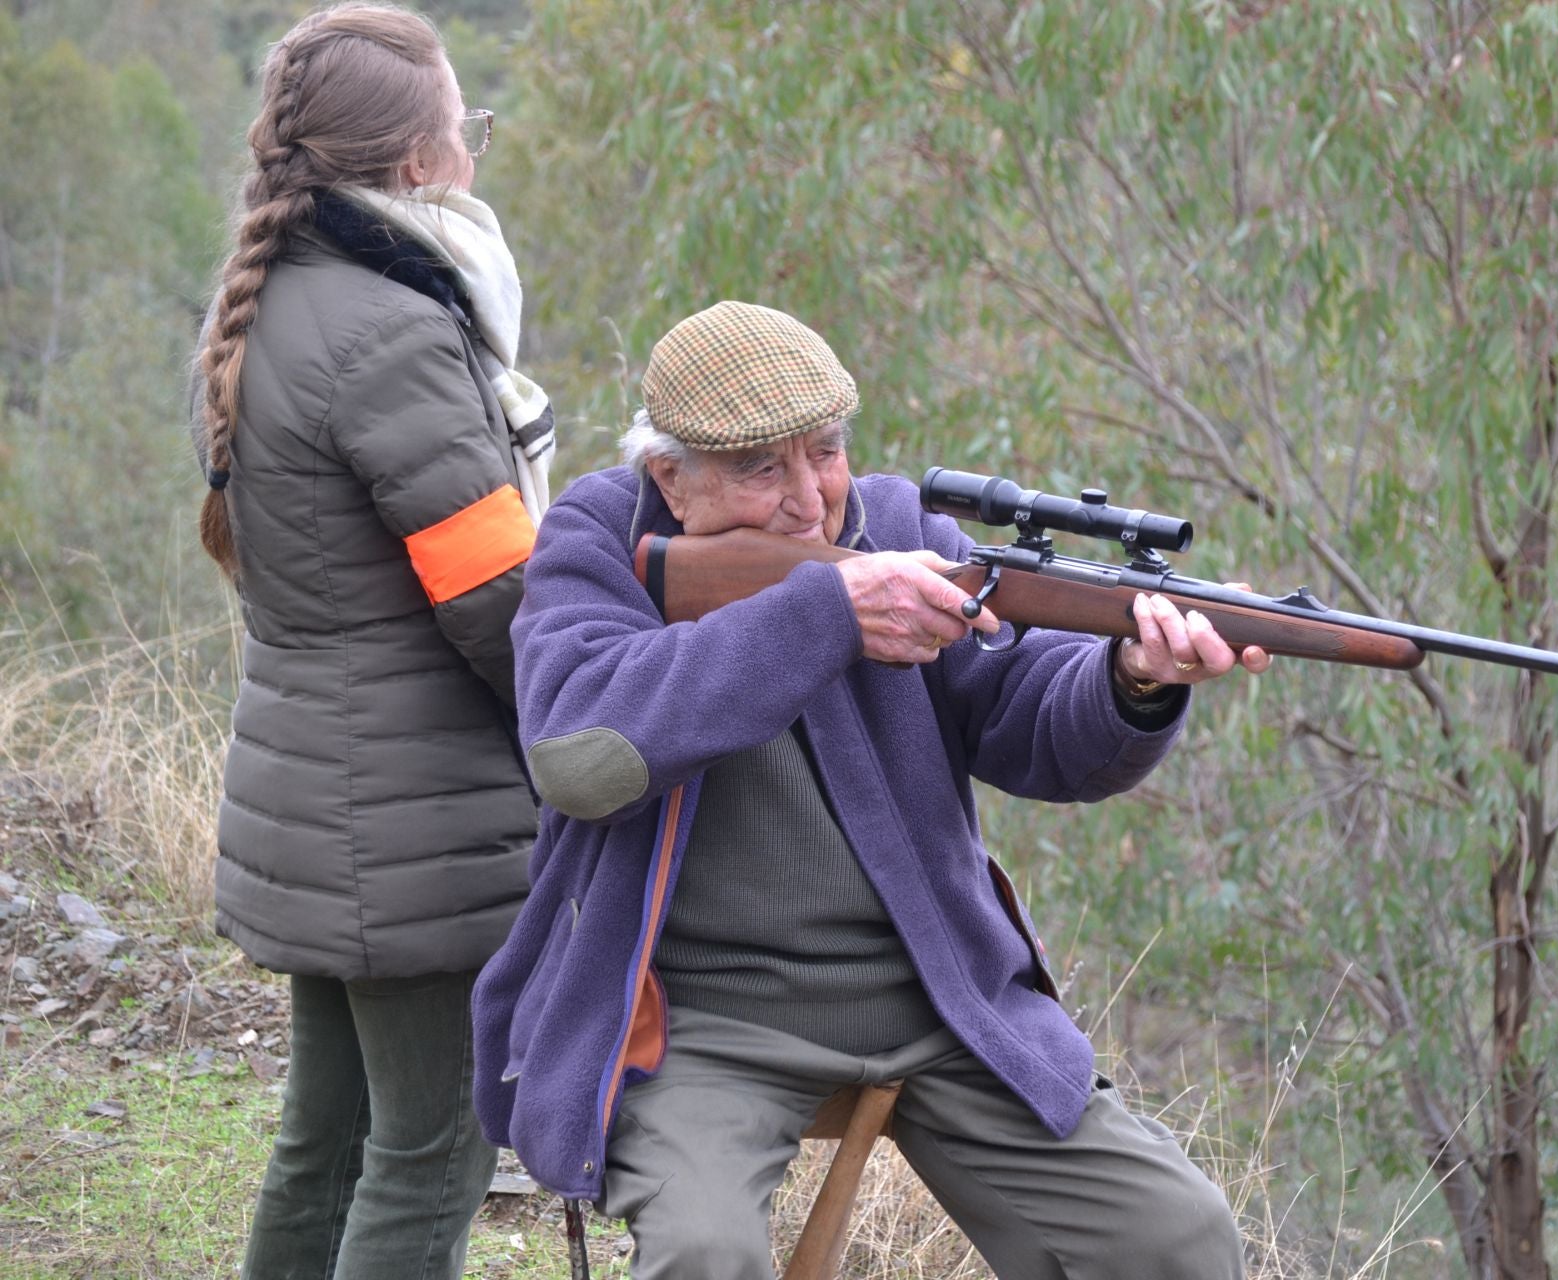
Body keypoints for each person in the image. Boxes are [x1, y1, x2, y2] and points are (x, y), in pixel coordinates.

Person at [473, 300, 1269, 1279]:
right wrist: (824, 615)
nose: (810, 499)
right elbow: (578, 757)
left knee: (1178, 1236)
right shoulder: (597, 540)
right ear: (669, 478)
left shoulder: (895, 523)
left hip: (937, 996)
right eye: (762, 467)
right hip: (699, 1021)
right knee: (703, 1255)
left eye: (826, 451)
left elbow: (1029, 717)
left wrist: (1133, 681)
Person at [190, 5, 548, 1275]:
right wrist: (614, 715)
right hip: (417, 824)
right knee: (431, 1151)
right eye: (469, 130)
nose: (473, 152)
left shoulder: (278, 298)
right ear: (415, 163)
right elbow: (499, 598)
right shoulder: (393, 331)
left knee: (327, 1137)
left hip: (316, 795)